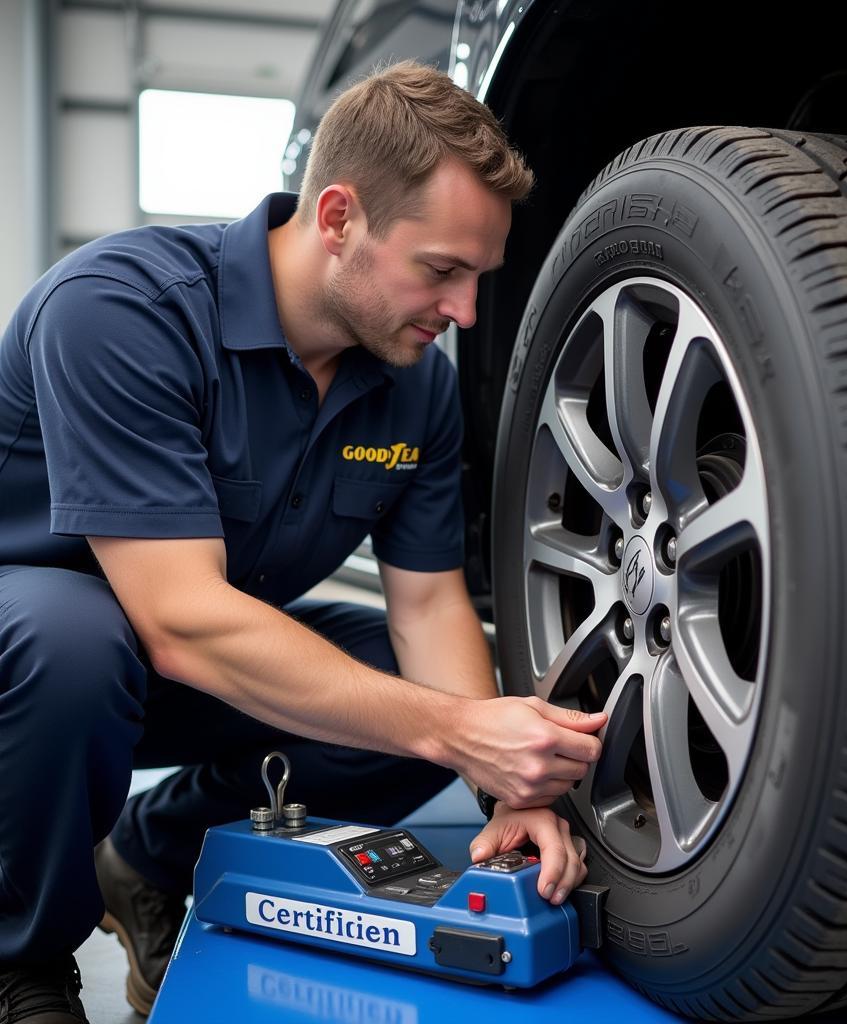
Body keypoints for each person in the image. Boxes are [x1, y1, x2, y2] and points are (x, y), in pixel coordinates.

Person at [0, 61, 606, 1023]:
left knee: (424, 698)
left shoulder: (418, 385)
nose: (465, 313)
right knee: (75, 638)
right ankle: (20, 963)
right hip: (40, 659)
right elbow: (175, 618)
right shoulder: (123, 309)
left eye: (478, 278)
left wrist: (502, 783)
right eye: (441, 270)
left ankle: (146, 856)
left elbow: (426, 602)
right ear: (337, 219)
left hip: (187, 660)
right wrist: (458, 733)